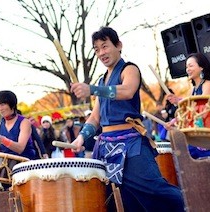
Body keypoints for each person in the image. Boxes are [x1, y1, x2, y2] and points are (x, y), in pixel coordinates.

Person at [70, 26, 184, 211]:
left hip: (130, 142)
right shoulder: (101, 80)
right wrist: (81, 138)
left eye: (105, 46)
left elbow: (128, 90)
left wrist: (91, 89)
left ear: (118, 45)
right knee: (119, 199)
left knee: (155, 190)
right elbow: (95, 117)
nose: (101, 53)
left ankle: (196, 204)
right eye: (97, 49)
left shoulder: (129, 69)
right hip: (105, 146)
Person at [167, 52, 210, 159]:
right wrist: (173, 121)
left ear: (201, 67)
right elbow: (188, 112)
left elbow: (201, 109)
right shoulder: (193, 89)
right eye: (186, 67)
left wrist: (179, 101)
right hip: (198, 136)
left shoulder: (207, 84)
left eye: (191, 66)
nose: (188, 69)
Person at [0, 90, 37, 160]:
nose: (0, 108)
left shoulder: (24, 122)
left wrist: (1, 139)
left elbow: (20, 148)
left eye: (2, 105)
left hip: (25, 164)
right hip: (6, 166)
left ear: (12, 105)